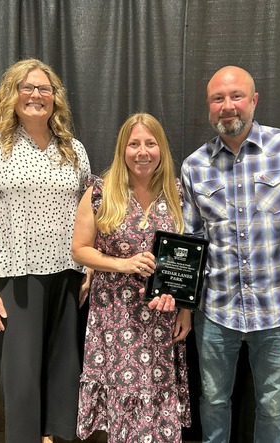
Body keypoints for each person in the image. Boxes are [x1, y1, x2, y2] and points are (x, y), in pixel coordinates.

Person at [181, 66, 280, 443]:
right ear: (209, 107)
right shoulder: (194, 166)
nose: (227, 106)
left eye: (236, 96)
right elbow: (190, 241)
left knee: (272, 405)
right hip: (216, 312)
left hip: (279, 311)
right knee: (214, 399)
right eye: (218, 99)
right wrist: (184, 301)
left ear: (254, 100)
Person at [0, 58, 91, 443]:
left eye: (44, 89)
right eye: (27, 87)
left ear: (55, 98)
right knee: (21, 371)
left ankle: (54, 436)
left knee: (64, 365)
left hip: (69, 272)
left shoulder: (74, 150)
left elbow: (90, 212)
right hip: (17, 276)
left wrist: (92, 270)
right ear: (12, 95)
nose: (36, 95)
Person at [72, 113, 192, 442]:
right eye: (134, 144)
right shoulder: (99, 192)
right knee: (120, 396)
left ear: (161, 149)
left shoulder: (178, 194)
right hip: (114, 314)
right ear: (122, 150)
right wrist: (122, 264)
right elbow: (80, 250)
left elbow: (187, 261)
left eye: (150, 144)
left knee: (156, 391)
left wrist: (185, 308)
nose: (143, 152)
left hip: (161, 315)